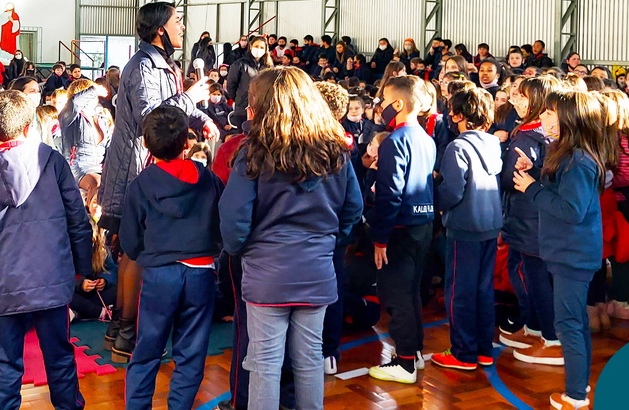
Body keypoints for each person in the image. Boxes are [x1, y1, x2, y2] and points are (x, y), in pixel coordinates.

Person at [219, 67, 363, 410]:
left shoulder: (253, 152)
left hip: (267, 272)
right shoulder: (335, 152)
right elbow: (353, 208)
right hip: (317, 268)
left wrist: (242, 250)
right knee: (310, 359)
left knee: (265, 363)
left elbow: (234, 217)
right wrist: (328, 243)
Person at [0, 89, 91, 410]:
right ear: (29, 126)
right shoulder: (52, 160)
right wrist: (80, 269)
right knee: (59, 356)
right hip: (52, 275)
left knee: (4, 363)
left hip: (0, 282)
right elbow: (78, 219)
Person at [99, 2, 217, 362]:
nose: (182, 26)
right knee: (136, 251)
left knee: (130, 251)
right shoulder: (143, 66)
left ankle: (119, 329)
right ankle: (128, 334)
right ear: (159, 29)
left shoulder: (162, 64)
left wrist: (200, 118)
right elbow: (154, 118)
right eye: (177, 21)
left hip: (142, 164)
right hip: (135, 167)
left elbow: (171, 110)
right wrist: (190, 98)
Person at [120, 105, 223, 410]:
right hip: (201, 272)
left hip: (159, 274)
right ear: (186, 141)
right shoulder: (208, 179)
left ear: (146, 143)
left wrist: (149, 254)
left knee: (146, 350)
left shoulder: (141, 184)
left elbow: (129, 240)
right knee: (191, 353)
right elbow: (224, 221)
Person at [511, 89, 606, 410]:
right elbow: (563, 191)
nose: (543, 117)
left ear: (569, 119)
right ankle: (580, 385)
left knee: (568, 324)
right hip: (569, 252)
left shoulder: (579, 161)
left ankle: (576, 396)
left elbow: (571, 209)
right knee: (575, 322)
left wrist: (532, 188)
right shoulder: (569, 154)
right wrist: (536, 171)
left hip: (572, 255)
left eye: (550, 113)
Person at [366, 76, 436, 385]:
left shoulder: (395, 141)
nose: (379, 106)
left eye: (383, 101)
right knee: (412, 291)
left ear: (397, 104)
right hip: (424, 224)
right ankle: (415, 351)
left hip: (400, 228)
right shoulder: (425, 138)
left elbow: (389, 193)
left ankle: (405, 362)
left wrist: (380, 238)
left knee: (396, 293)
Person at [430, 87, 503, 372]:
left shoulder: (457, 147)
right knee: (483, 290)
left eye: (452, 111)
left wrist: (437, 202)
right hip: (490, 224)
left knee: (459, 291)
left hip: (464, 226)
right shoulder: (493, 143)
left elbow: (452, 190)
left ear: (460, 115)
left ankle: (463, 352)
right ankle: (484, 349)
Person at [498, 76, 558, 358]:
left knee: (532, 277)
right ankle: (534, 328)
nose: (516, 101)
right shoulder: (543, 133)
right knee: (531, 274)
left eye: (522, 96)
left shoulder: (528, 135)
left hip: (529, 217)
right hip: (532, 216)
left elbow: (510, 178)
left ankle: (551, 337)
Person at [59, 78, 111, 204]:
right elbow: (74, 103)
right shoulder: (70, 117)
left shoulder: (101, 119)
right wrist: (93, 90)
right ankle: (95, 214)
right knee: (98, 183)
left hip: (101, 167)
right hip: (78, 167)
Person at [225, 36, 271, 127]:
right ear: (250, 46)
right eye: (256, 46)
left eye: (262, 47)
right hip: (243, 110)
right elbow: (231, 86)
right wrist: (240, 99)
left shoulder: (268, 67)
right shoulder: (239, 64)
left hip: (262, 110)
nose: (258, 49)